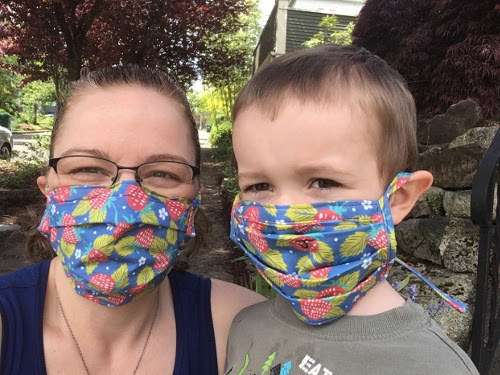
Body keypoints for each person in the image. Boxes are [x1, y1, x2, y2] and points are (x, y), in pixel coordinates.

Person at [224, 44, 479, 374]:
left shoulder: (436, 367)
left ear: (398, 199)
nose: (284, 212)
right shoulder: (244, 326)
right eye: (259, 186)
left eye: (322, 181)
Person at [0, 65, 264, 374]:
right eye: (88, 169)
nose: (124, 207)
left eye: (162, 173)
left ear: (194, 201)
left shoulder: (247, 326)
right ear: (48, 191)